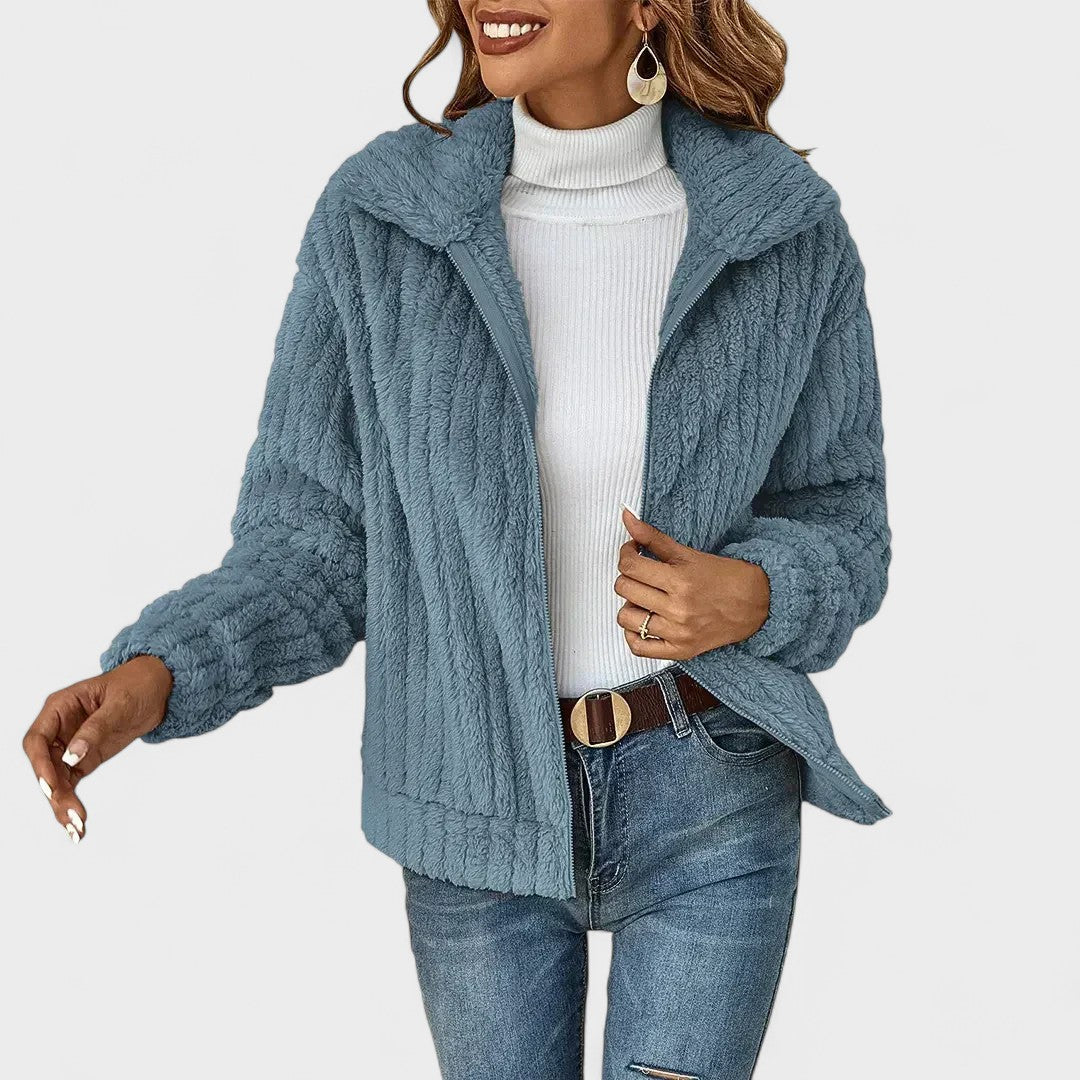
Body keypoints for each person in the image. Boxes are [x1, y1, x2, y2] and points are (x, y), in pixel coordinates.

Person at [23, 2, 892, 1077]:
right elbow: (314, 542)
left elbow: (843, 517)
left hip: (711, 788)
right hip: (470, 793)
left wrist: (760, 591)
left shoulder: (783, 228)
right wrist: (161, 673)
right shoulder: (382, 220)